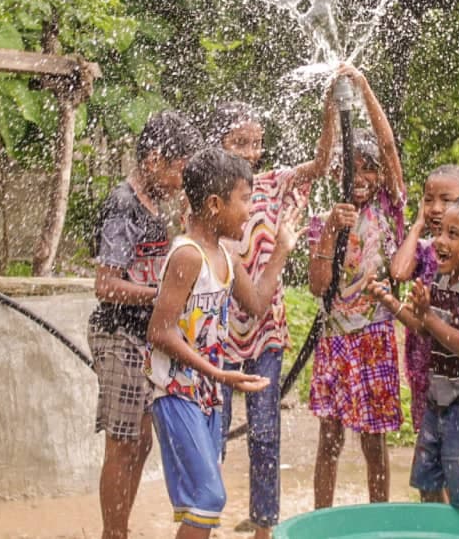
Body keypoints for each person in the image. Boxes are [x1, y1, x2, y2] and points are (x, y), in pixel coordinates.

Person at [144, 147, 301, 538]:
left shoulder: (226, 255)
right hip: (176, 392)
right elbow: (160, 332)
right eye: (244, 200)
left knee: (202, 503)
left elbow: (257, 303)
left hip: (208, 392)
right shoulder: (188, 255)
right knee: (208, 499)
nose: (250, 212)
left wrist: (281, 248)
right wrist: (220, 373)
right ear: (215, 204)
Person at [209, 92, 337, 538]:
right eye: (239, 142)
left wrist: (328, 109)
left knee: (265, 432)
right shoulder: (206, 199)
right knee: (216, 428)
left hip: (267, 330)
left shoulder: (273, 183)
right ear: (217, 144)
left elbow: (320, 166)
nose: (250, 152)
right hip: (220, 332)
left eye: (256, 142)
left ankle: (265, 526)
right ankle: (208, 518)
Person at [88, 111, 202, 539]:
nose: (181, 181)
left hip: (142, 337)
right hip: (117, 334)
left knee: (142, 441)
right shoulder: (123, 204)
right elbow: (105, 284)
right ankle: (113, 532)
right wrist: (161, 295)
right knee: (123, 440)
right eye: (179, 170)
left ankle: (120, 527)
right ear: (154, 161)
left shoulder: (156, 206)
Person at [306, 64, 405, 508]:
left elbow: (387, 145)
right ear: (338, 175)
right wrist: (330, 230)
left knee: (373, 441)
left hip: (376, 336)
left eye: (370, 171)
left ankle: (377, 516)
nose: (362, 178)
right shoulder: (324, 220)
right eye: (353, 170)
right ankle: (321, 519)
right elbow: (317, 286)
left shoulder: (390, 206)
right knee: (329, 438)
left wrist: (362, 89)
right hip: (335, 340)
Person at [369, 193, 459, 510]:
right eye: (440, 231)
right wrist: (392, 303)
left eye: (453, 235)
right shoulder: (442, 277)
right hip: (439, 402)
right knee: (427, 484)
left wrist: (428, 315)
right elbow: (422, 328)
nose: (439, 242)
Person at [389, 164, 459, 434]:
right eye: (428, 200)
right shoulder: (424, 249)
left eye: (446, 200)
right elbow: (398, 271)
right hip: (422, 366)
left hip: (457, 373)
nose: (435, 208)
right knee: (429, 442)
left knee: (458, 441)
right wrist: (418, 225)